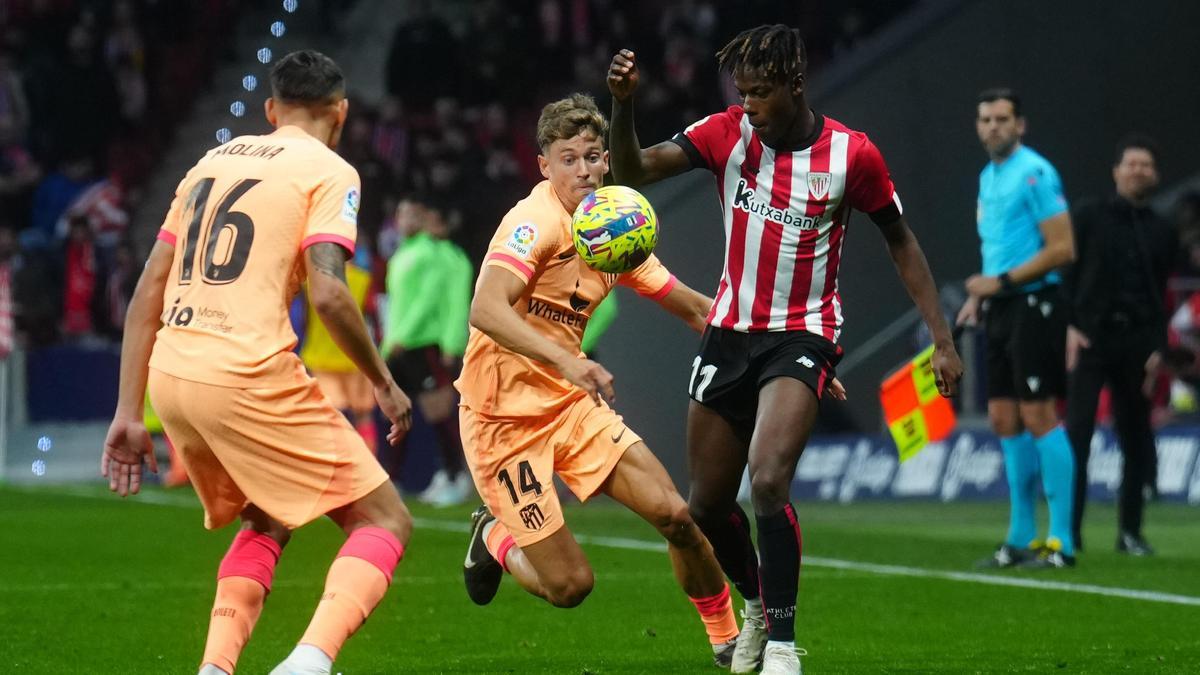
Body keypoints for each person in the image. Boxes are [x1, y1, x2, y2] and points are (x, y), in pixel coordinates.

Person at [606, 25, 962, 675]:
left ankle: (782, 645)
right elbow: (630, 172)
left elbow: (901, 239)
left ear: (796, 85)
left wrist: (941, 338)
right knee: (707, 506)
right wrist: (624, 104)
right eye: (742, 93)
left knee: (767, 479)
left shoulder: (852, 155)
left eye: (762, 93)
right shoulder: (726, 134)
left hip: (804, 334)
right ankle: (757, 607)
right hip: (730, 331)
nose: (750, 107)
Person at [100, 50, 415, 675]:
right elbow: (328, 291)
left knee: (266, 516)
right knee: (385, 518)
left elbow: (147, 292)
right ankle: (310, 664)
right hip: (245, 371)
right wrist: (383, 382)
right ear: (341, 113)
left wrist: (127, 411)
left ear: (271, 110)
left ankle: (215, 668)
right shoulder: (331, 171)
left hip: (173, 374)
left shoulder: (208, 163)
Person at [459, 93, 744, 669]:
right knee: (570, 587)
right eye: (568, 159)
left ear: (608, 160)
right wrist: (569, 361)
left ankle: (729, 640)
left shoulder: (614, 227)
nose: (584, 170)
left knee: (676, 516)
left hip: (569, 407)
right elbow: (486, 308)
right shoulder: (533, 222)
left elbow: (693, 307)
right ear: (545, 166)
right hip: (503, 423)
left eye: (593, 156)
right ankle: (494, 537)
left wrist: (783, 352)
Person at [956, 88, 1078, 569]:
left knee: (1039, 414)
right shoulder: (989, 177)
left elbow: (1063, 248)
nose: (993, 127)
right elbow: (999, 250)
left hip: (1035, 302)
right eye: (985, 119)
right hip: (1001, 306)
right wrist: (978, 296)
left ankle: (1061, 541)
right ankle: (1020, 535)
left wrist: (1000, 282)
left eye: (1002, 119)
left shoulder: (1036, 173)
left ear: (1020, 125)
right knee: (1005, 419)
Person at [1064, 135, 1177, 555]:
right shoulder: (1089, 215)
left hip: (1137, 345)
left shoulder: (1164, 230)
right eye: (1131, 164)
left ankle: (1130, 532)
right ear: (1116, 172)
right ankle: (1068, 531)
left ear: (1156, 175)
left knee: (1136, 438)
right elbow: (1066, 272)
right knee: (1077, 436)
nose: (1138, 171)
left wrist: (1158, 349)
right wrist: (1069, 326)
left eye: (1146, 165)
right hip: (1090, 338)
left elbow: (1161, 295)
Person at [380, 194, 474, 505]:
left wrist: (449, 343)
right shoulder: (402, 254)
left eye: (414, 215)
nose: (407, 221)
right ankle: (392, 479)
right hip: (399, 344)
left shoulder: (433, 254)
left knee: (439, 411)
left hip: (421, 344)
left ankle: (454, 475)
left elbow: (434, 302)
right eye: (402, 214)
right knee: (396, 411)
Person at [300, 250, 379, 453]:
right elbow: (372, 320)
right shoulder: (363, 279)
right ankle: (370, 467)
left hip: (321, 358)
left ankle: (342, 466)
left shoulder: (311, 282)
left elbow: (305, 321)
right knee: (364, 416)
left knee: (333, 417)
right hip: (357, 358)